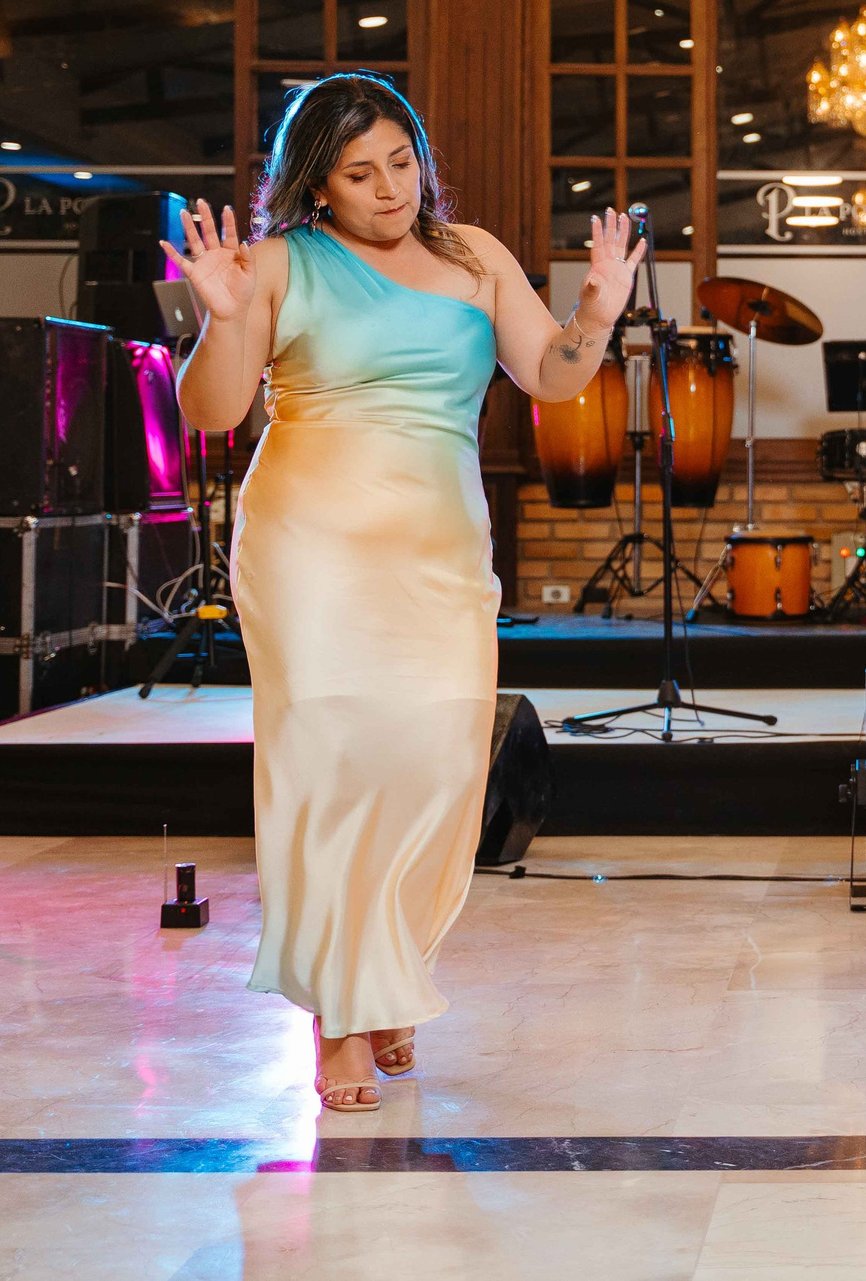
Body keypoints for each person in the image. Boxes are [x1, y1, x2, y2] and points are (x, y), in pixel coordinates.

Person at [163, 74, 641, 1112]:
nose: (389, 187)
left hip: (439, 550)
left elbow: (551, 377)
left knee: (437, 761)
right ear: (316, 184)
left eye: (401, 161)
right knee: (337, 765)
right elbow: (214, 408)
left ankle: (387, 970)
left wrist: (596, 308)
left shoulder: (476, 258)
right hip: (310, 549)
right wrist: (222, 317)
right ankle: (342, 1014)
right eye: (359, 171)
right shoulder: (280, 263)